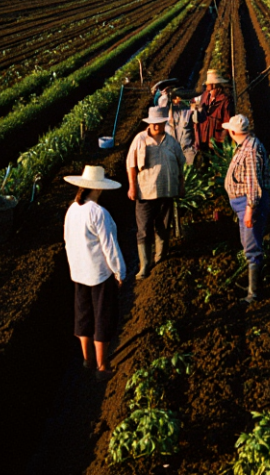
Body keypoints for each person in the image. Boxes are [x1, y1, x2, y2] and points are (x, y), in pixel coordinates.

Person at [62, 165, 127, 381]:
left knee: (83, 316)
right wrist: (119, 272)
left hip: (79, 272)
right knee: (103, 317)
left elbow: (67, 240)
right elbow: (110, 247)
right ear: (99, 188)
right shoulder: (99, 213)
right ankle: (102, 366)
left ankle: (87, 360)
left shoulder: (72, 209)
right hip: (99, 274)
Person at [126, 106, 186, 278]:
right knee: (144, 228)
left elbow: (181, 163)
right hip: (145, 192)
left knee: (164, 226)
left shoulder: (171, 141)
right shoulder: (140, 139)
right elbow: (130, 164)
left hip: (167, 191)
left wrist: (181, 185)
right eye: (154, 123)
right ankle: (144, 265)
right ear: (150, 123)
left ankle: (160, 258)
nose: (157, 126)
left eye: (160, 123)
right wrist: (132, 186)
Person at [222, 114, 270, 304]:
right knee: (248, 242)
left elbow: (253, 184)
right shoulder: (246, 145)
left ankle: (254, 293)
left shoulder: (250, 151)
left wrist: (250, 208)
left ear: (234, 132)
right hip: (243, 204)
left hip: (248, 205)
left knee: (252, 246)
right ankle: (255, 285)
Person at [194, 69, 234, 151]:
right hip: (203, 137)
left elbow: (227, 123)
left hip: (216, 140)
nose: (207, 87)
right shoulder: (205, 95)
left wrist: (222, 141)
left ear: (215, 85)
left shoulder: (225, 101)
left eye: (209, 84)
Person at [167, 88, 198, 167]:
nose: (178, 100)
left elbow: (197, 121)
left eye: (179, 98)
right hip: (172, 150)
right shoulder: (167, 112)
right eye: (176, 98)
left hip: (187, 150)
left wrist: (196, 109)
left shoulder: (188, 111)